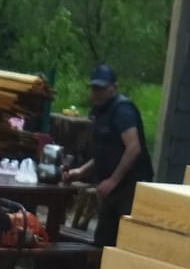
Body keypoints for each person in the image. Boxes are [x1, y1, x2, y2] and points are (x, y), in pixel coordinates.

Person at [66, 63, 153, 255]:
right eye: (94, 88)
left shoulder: (122, 110)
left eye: (102, 88)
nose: (97, 93)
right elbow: (105, 152)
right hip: (113, 189)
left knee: (124, 243)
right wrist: (81, 171)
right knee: (102, 243)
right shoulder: (100, 112)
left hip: (130, 187)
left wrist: (113, 180)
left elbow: (133, 148)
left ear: (114, 87)